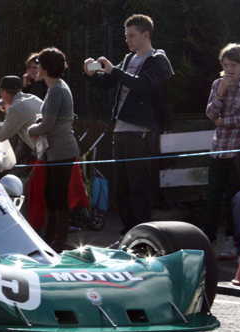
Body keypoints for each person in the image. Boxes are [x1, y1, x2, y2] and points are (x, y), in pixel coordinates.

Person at [84, 14, 173, 238]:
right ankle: (127, 234)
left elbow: (144, 86)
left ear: (146, 34)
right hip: (121, 130)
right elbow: (110, 84)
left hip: (140, 131)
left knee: (139, 188)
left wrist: (115, 71)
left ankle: (143, 236)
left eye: (132, 36)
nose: (128, 40)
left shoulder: (158, 60)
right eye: (126, 36)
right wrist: (92, 75)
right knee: (121, 188)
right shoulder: (127, 59)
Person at [204, 43, 240, 259]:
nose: (229, 70)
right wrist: (220, 94)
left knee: (233, 196)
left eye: (233, 65)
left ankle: (230, 241)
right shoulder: (218, 84)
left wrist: (222, 121)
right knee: (213, 195)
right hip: (218, 149)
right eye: (225, 65)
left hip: (239, 151)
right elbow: (210, 113)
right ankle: (207, 240)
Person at [27, 47, 79, 252]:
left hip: (62, 150)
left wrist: (32, 128)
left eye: (39, 65)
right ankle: (51, 237)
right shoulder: (55, 88)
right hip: (55, 151)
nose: (35, 68)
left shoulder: (57, 89)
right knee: (50, 193)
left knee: (58, 194)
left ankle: (58, 240)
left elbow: (48, 125)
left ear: (46, 68)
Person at [0, 75, 43, 217]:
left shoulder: (16, 109)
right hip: (49, 151)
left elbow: (0, 136)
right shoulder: (32, 98)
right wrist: (8, 110)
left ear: (4, 93)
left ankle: (31, 227)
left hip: (45, 155)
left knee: (27, 194)